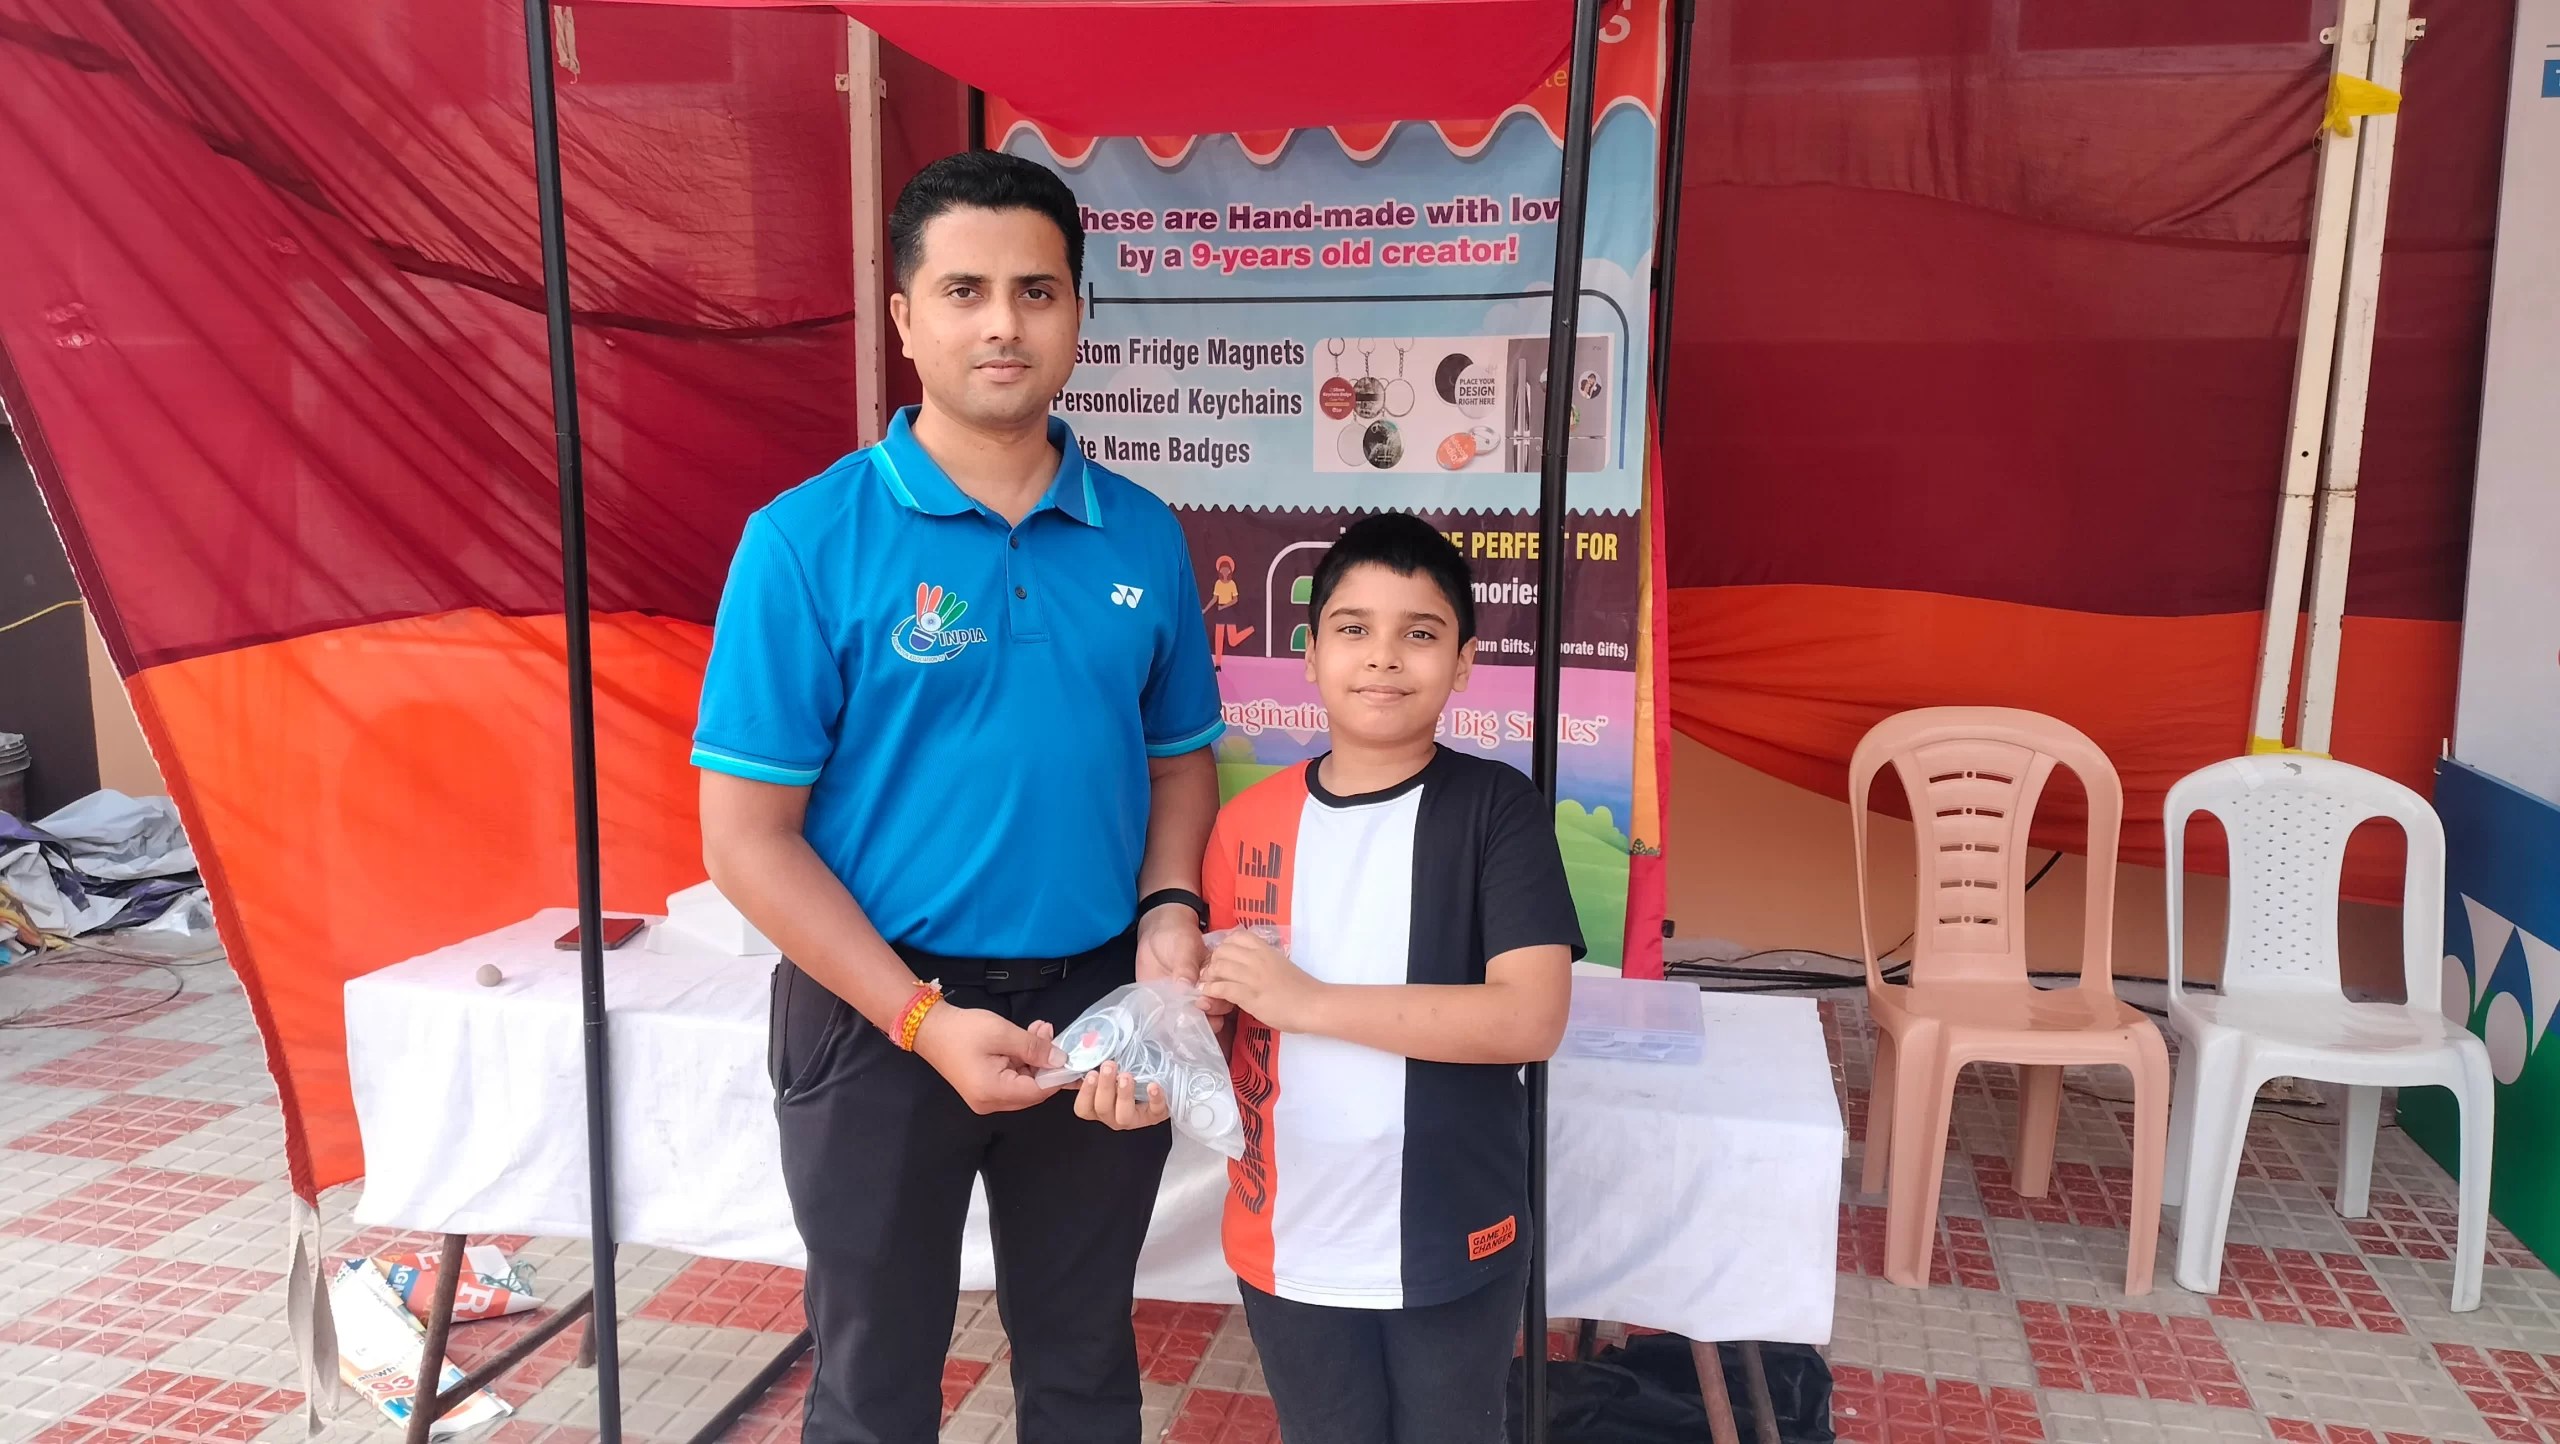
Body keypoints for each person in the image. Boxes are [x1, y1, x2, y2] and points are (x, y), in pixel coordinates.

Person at [693, 149, 1225, 1444]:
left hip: (1094, 1009)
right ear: (904, 317)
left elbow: (1178, 760)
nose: (1003, 324)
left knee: (1085, 1367)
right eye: (965, 290)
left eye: (1037, 291)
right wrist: (921, 1020)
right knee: (872, 1385)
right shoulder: (804, 541)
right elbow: (747, 842)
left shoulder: (1143, 532)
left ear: (1079, 312)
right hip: (874, 1010)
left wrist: (1168, 913)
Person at [1090, 513, 1583, 1444]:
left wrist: (1310, 1003)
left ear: (1464, 664)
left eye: (1420, 633)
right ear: (1311, 655)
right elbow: (1220, 1030)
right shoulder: (1246, 824)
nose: (1384, 656)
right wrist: (1154, 1071)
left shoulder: (1498, 812)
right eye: (1354, 628)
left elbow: (1530, 1019)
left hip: (1453, 1232)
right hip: (1286, 1237)